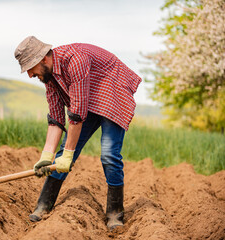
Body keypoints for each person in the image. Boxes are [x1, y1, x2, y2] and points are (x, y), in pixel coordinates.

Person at [14, 36, 141, 230]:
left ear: (43, 60)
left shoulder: (75, 60)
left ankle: (115, 213)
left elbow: (77, 114)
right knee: (64, 151)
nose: (30, 75)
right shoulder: (49, 79)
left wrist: (68, 155)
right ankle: (44, 205)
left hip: (112, 92)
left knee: (109, 155)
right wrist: (47, 156)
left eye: (31, 69)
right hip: (89, 100)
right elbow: (56, 119)